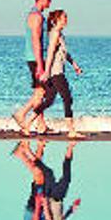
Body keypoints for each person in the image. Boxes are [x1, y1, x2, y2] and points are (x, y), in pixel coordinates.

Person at [36, 9, 84, 138]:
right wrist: (46, 71)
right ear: (56, 20)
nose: (66, 19)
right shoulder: (55, 34)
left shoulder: (60, 34)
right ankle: (71, 131)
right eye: (64, 17)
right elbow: (50, 53)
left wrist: (74, 65)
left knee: (50, 100)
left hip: (57, 71)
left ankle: (29, 120)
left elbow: (64, 53)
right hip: (56, 73)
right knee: (67, 98)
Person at [13, 0, 51, 135]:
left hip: (34, 58)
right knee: (42, 92)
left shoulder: (35, 14)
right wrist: (40, 65)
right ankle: (21, 113)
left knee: (39, 91)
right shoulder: (36, 16)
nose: (50, 2)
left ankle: (41, 125)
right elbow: (36, 40)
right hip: (36, 58)